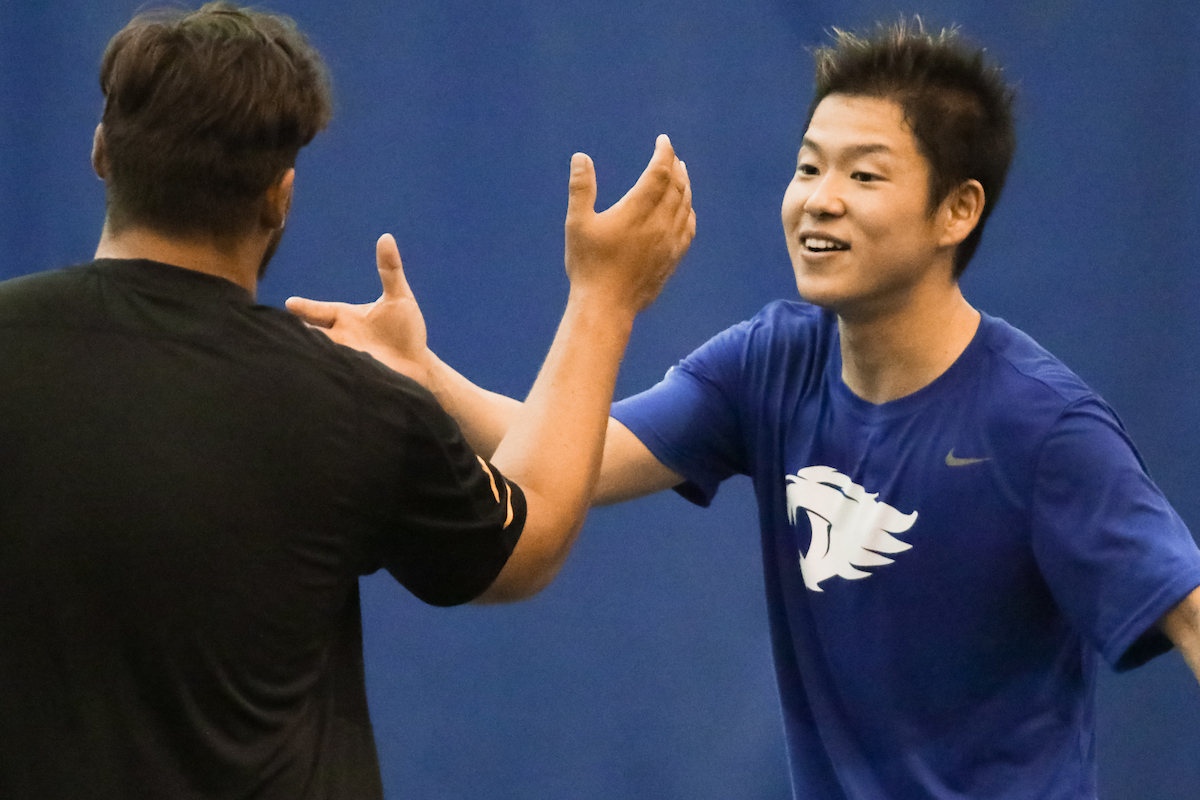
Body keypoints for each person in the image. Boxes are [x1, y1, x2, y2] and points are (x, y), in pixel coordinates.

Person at [289, 18, 1200, 800]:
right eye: (808, 167)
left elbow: (1189, 612)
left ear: (957, 211)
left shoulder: (1042, 426)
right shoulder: (775, 358)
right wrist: (423, 373)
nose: (819, 200)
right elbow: (576, 458)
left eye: (866, 176)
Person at [0, 3, 694, 799]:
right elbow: (526, 539)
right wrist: (603, 300)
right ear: (280, 194)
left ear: (100, 156)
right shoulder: (353, 405)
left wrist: (424, 377)